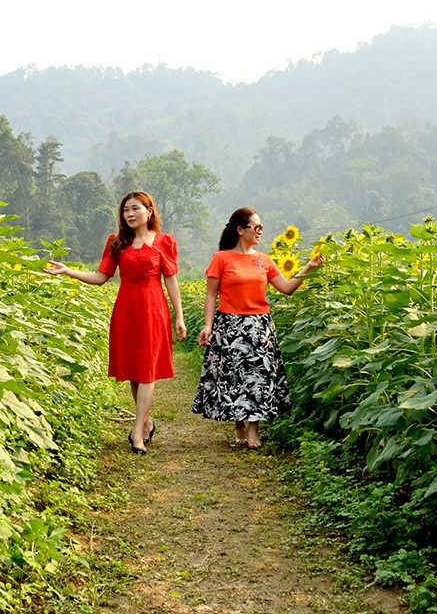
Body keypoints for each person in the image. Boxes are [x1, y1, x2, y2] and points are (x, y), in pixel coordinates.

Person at [45, 191, 186, 454]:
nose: (130, 214)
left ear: (149, 211)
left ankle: (136, 432)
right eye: (125, 210)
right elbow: (101, 277)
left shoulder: (165, 242)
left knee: (146, 370)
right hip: (126, 309)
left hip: (153, 309)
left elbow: (171, 280)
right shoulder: (117, 242)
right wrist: (68, 271)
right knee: (135, 370)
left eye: (135, 209)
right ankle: (146, 422)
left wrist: (179, 316)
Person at [192, 208, 323, 449]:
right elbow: (211, 294)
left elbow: (286, 287)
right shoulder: (221, 258)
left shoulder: (264, 260)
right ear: (240, 230)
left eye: (262, 227)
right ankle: (239, 426)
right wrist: (208, 326)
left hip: (259, 325)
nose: (260, 231)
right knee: (234, 378)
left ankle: (254, 430)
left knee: (259, 378)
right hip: (230, 325)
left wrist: (309, 268)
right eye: (256, 227)